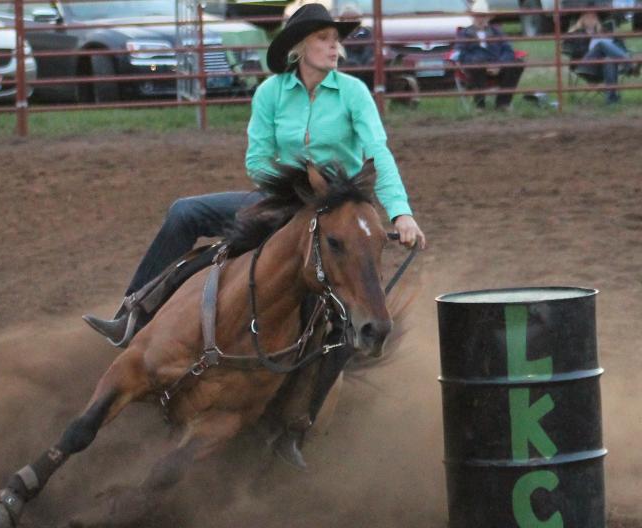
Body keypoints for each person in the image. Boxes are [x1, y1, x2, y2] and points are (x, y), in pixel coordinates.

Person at [83, 3, 426, 468]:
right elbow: (257, 159)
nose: (335, 47)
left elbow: (378, 153)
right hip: (281, 202)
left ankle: (294, 428)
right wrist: (294, 184)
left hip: (335, 211)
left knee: (343, 324)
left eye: (336, 39)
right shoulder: (270, 94)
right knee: (184, 213)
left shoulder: (353, 94)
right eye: (325, 39)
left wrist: (401, 213)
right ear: (300, 47)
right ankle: (134, 313)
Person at [454, 0, 524, 110]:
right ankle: (480, 105)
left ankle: (502, 103)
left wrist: (499, 64)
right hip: (476, 68)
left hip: (498, 66)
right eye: (477, 16)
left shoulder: (497, 32)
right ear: (472, 17)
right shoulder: (464, 34)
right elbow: (460, 54)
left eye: (483, 16)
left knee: (518, 63)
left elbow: (508, 50)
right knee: (476, 65)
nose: (480, 19)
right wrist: (482, 63)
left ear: (488, 18)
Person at [564, 8, 640, 104]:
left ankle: (611, 100)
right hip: (584, 65)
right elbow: (569, 50)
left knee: (609, 60)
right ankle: (630, 65)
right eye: (587, 16)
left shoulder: (605, 31)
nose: (591, 18)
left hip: (602, 66)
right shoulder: (575, 33)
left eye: (594, 16)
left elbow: (620, 47)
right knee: (601, 44)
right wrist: (590, 43)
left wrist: (618, 38)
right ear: (581, 18)